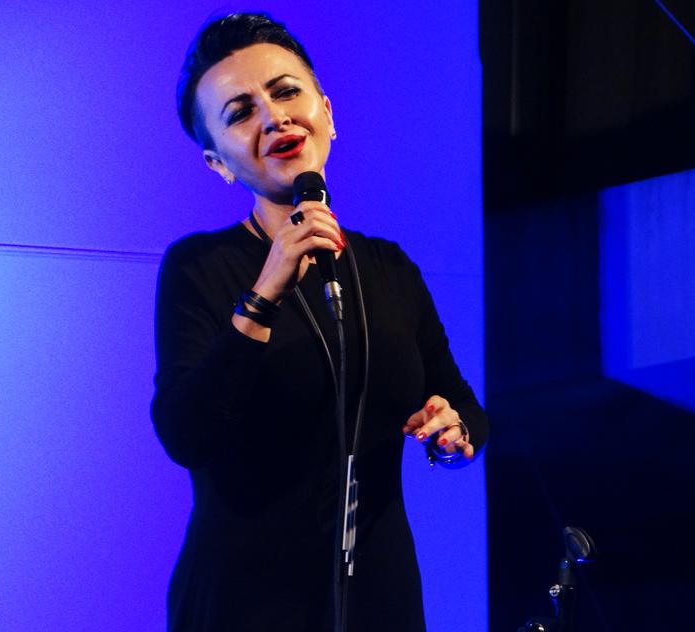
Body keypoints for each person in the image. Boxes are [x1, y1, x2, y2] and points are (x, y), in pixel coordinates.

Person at [151, 12, 488, 632]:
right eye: (240, 113)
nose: (274, 118)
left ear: (326, 113)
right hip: (245, 605)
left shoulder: (389, 268)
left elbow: (459, 399)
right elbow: (185, 432)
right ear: (218, 162)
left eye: (286, 92)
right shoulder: (200, 267)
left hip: (379, 597)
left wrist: (454, 428)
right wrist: (266, 291)